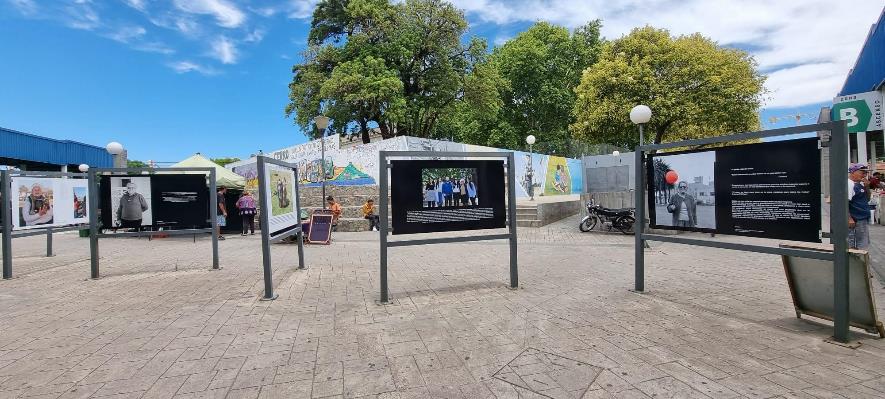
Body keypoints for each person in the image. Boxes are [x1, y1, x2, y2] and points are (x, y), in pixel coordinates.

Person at [848, 163, 871, 250]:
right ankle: (856, 261)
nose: (864, 175)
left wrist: (867, 187)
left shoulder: (860, 184)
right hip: (856, 219)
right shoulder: (850, 184)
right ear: (853, 172)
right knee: (856, 243)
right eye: (862, 172)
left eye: (865, 173)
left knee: (863, 243)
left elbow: (867, 199)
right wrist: (849, 218)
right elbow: (845, 202)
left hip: (862, 218)